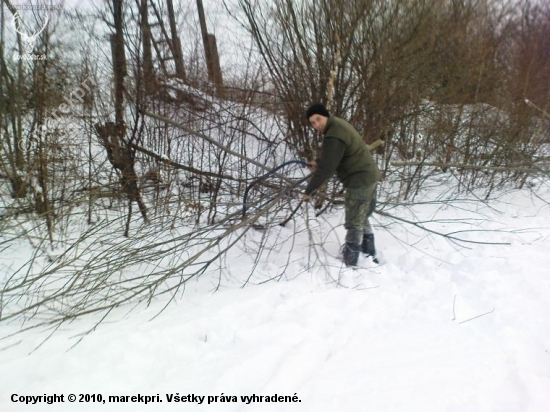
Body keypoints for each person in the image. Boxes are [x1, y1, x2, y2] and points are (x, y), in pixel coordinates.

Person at [302, 103, 381, 266]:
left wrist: (309, 190)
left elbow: (327, 168)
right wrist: (318, 162)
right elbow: (335, 155)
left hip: (359, 180)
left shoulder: (334, 135)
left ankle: (350, 261)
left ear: (326, 115)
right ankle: (369, 253)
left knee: (354, 221)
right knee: (362, 215)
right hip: (369, 175)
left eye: (318, 119)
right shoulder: (338, 124)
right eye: (312, 123)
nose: (317, 125)